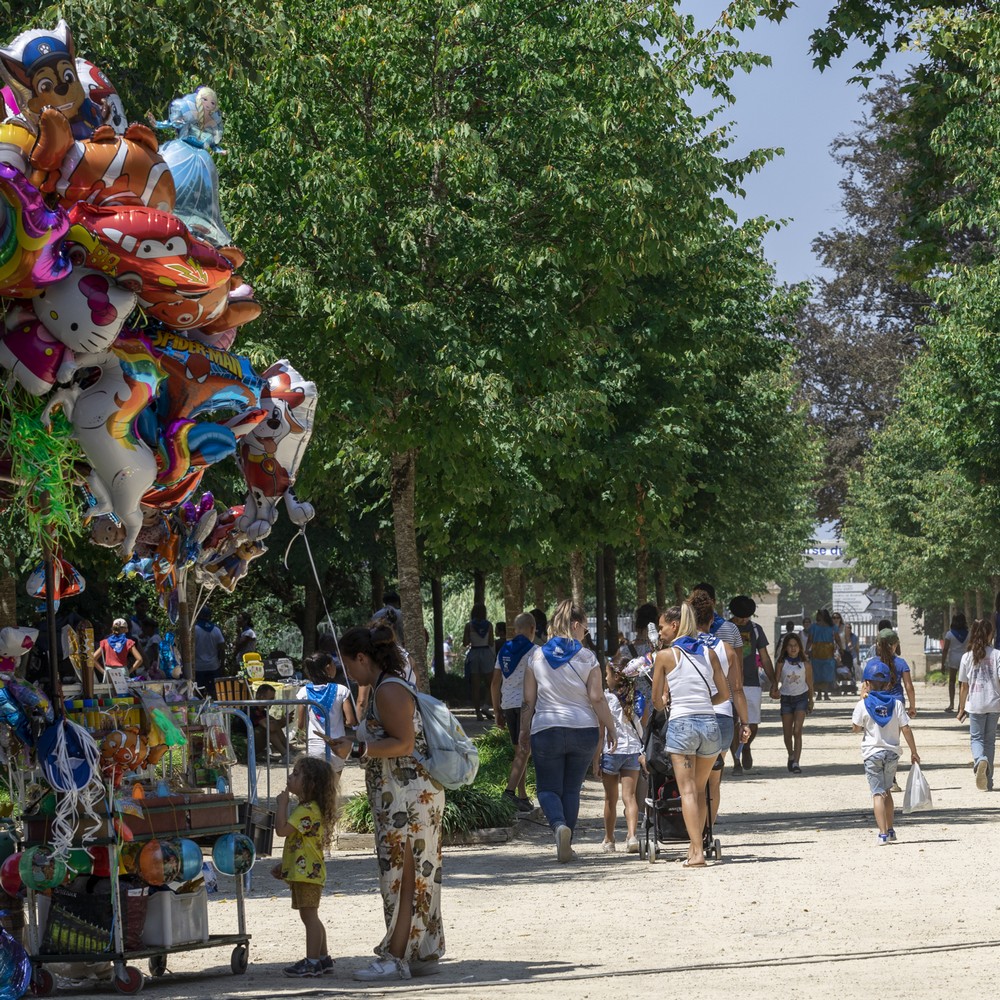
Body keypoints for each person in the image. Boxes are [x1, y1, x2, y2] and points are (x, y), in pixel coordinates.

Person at [332, 624, 445, 981]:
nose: (349, 674)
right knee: (409, 872)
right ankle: (418, 950)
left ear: (363, 658)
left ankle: (396, 957)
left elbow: (404, 743)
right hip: (403, 795)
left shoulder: (389, 689)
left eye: (350, 665)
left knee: (404, 874)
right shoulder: (387, 685)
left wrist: (358, 748)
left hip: (407, 797)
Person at [519, 600, 618, 863]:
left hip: (546, 729)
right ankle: (568, 841)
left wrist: (523, 730)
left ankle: (558, 826)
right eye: (585, 629)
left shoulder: (535, 656)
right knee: (572, 789)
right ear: (575, 625)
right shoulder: (588, 657)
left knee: (548, 789)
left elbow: (528, 700)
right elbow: (597, 697)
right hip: (583, 729)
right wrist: (611, 728)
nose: (585, 634)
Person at [651, 602, 731, 867]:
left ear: (675, 626)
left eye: (661, 627)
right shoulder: (709, 654)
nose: (659, 631)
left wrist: (668, 701)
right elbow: (724, 695)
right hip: (709, 724)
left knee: (685, 791)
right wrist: (703, 701)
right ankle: (699, 846)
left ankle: (695, 851)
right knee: (700, 790)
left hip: (683, 724)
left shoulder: (665, 656)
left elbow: (656, 702)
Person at [274, 755, 338, 977]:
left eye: (296, 774)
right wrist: (285, 865)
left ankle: (312, 962)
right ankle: (323, 958)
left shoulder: (306, 810)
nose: (290, 777)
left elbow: (281, 830)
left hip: (307, 874)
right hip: (307, 872)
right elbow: (301, 843)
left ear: (310, 783)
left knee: (309, 917)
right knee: (311, 915)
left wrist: (281, 805)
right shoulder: (309, 808)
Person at [690, 593, 749, 821]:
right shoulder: (727, 649)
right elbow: (737, 689)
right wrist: (745, 722)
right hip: (722, 717)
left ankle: (693, 834)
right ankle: (707, 831)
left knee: (692, 782)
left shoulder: (679, 648)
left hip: (692, 716)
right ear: (711, 618)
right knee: (714, 781)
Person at [851, 661, 920, 845]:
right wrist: (914, 752)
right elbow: (905, 729)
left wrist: (861, 698)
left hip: (872, 754)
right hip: (891, 754)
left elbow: (856, 728)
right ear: (889, 683)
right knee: (887, 791)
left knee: (877, 793)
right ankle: (890, 829)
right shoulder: (896, 704)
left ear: (866, 682)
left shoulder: (863, 704)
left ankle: (882, 834)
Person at [595, 652, 647, 853]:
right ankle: (632, 836)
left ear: (617, 676)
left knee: (610, 798)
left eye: (607, 674)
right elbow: (643, 724)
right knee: (630, 797)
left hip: (611, 751)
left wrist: (595, 759)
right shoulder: (639, 698)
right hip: (633, 750)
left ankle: (609, 839)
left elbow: (601, 732)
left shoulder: (606, 699)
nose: (605, 678)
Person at [492, 612, 537, 811]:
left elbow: (494, 683)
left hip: (508, 704)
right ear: (532, 630)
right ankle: (509, 793)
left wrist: (497, 711)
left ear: (515, 629)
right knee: (524, 750)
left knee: (520, 750)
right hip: (526, 705)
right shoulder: (535, 651)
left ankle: (522, 795)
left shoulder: (503, 650)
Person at [728, 596, 776, 771]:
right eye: (741, 617)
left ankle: (746, 745)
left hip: (751, 682)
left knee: (752, 723)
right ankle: (736, 761)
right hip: (729, 683)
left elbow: (764, 657)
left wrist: (773, 682)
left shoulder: (756, 630)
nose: (744, 620)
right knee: (733, 722)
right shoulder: (725, 628)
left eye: (747, 617)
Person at [956, 618, 1000, 790]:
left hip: (975, 704)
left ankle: (980, 760)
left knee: (976, 738)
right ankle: (988, 781)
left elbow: (963, 686)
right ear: (991, 634)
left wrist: (961, 709)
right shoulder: (997, 655)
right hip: (994, 703)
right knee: (990, 741)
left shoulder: (967, 657)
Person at [296, 652, 357, 765]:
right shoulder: (341, 690)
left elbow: (300, 724)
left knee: (317, 780)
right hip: (337, 744)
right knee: (334, 781)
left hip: (314, 744)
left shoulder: (303, 692)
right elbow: (350, 721)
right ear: (328, 668)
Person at [774, 633, 813, 773]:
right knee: (787, 733)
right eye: (790, 646)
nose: (793, 648)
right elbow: (775, 682)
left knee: (797, 731)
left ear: (800, 647)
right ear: (785, 648)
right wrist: (774, 691)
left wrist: (811, 700)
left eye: (795, 645)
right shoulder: (781, 663)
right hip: (786, 699)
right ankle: (790, 754)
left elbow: (810, 683)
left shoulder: (805, 664)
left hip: (801, 698)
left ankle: (796, 762)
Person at [463, 604, 495, 720]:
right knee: (491, 683)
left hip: (474, 653)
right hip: (486, 653)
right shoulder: (489, 625)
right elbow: (491, 642)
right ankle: (486, 706)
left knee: (475, 686)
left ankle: (478, 713)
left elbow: (465, 642)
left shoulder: (469, 625)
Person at [806, 609, 841, 701]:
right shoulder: (814, 627)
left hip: (826, 652)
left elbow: (837, 639)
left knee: (825, 674)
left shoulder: (832, 627)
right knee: (819, 673)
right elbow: (810, 640)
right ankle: (820, 693)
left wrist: (841, 648)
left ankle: (824, 693)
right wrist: (806, 650)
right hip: (819, 652)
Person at [193, 608, 225, 697]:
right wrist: (222, 665)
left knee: (199, 693)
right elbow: (222, 649)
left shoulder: (194, 630)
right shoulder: (216, 630)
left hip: (199, 667)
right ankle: (217, 709)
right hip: (213, 666)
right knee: (215, 692)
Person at [252, 683, 288, 760]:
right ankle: (285, 752)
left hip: (252, 744)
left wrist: (283, 721)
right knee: (267, 728)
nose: (273, 702)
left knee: (270, 725)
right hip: (245, 746)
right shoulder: (252, 709)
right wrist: (279, 722)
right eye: (271, 699)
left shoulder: (262, 711)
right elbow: (270, 727)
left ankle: (287, 751)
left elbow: (275, 724)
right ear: (261, 697)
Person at [941, 613, 969, 713]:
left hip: (953, 658)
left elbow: (945, 649)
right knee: (963, 683)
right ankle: (961, 705)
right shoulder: (968, 633)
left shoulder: (949, 634)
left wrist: (942, 663)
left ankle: (951, 704)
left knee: (952, 682)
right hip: (964, 658)